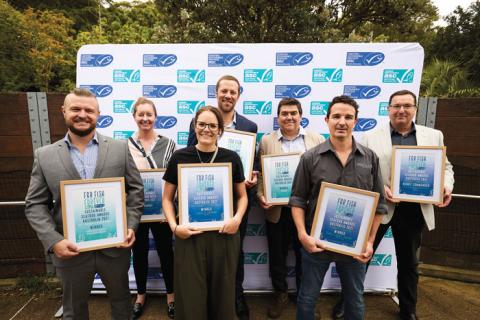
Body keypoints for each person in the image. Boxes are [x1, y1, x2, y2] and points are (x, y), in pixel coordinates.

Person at [331, 90, 455, 320]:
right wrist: (380, 189)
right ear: (388, 109)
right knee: (359, 260)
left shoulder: (433, 135)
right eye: (396, 106)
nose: (401, 110)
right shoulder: (370, 137)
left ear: (415, 109)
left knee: (409, 264)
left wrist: (445, 186)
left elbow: (445, 167)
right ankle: (346, 303)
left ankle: (408, 310)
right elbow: (359, 170)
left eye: (407, 106)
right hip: (379, 209)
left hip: (414, 210)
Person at [24, 88, 144, 320]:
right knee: (74, 310)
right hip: (70, 251)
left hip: (114, 249)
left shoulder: (119, 149)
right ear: (64, 111)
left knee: (122, 306)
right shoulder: (45, 155)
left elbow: (136, 191)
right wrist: (53, 241)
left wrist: (130, 225)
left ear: (98, 113)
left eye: (89, 110)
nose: (82, 114)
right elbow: (34, 205)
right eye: (75, 109)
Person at [289, 95, 388, 320]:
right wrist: (303, 235)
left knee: (355, 300)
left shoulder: (370, 158)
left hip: (355, 247)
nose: (342, 121)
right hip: (317, 243)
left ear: (356, 121)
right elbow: (296, 199)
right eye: (336, 116)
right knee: (307, 297)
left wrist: (370, 240)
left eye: (348, 117)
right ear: (327, 120)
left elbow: (379, 204)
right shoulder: (310, 158)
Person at [162, 105, 248, 320]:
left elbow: (243, 196)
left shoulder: (232, 157)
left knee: (223, 294)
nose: (206, 129)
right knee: (191, 296)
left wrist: (237, 219)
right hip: (189, 236)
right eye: (202, 124)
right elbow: (166, 199)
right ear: (194, 126)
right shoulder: (179, 157)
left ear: (220, 129)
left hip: (224, 235)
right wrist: (175, 227)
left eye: (212, 125)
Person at [187, 74, 257, 319]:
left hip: (236, 200)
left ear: (238, 95)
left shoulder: (250, 127)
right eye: (223, 91)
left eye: (233, 92)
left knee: (234, 252)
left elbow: (250, 163)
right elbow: (189, 162)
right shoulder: (200, 122)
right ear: (216, 93)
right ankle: (207, 300)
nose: (228, 95)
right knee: (204, 254)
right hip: (204, 200)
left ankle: (236, 297)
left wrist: (252, 176)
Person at [256, 98, 325, 318]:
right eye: (284, 113)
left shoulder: (316, 139)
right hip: (277, 209)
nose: (289, 117)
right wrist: (260, 195)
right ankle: (280, 293)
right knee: (277, 254)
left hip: (306, 210)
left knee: (306, 254)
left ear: (301, 115)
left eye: (293, 113)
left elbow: (323, 175)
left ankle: (306, 297)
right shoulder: (267, 141)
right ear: (278, 117)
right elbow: (260, 176)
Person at [128, 97, 176, 319]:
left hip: (162, 211)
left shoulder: (169, 144)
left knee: (166, 251)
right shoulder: (125, 146)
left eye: (149, 114)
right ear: (134, 116)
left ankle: (171, 295)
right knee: (138, 253)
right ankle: (140, 295)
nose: (145, 118)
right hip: (136, 210)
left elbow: (174, 178)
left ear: (155, 117)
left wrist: (170, 208)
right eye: (141, 114)